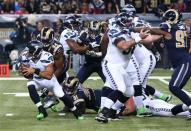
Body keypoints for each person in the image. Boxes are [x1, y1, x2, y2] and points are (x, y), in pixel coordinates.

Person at [95, 12, 149, 123]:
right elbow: (123, 46)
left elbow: (147, 39)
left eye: (130, 21)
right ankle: (103, 112)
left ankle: (112, 112)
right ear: (122, 22)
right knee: (121, 88)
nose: (130, 23)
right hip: (111, 65)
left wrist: (163, 33)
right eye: (127, 22)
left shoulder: (130, 32)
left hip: (120, 67)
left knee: (129, 91)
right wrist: (138, 38)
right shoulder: (114, 31)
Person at [19, 40, 83, 120]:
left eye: (30, 51)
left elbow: (49, 76)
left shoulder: (47, 56)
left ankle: (76, 112)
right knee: (30, 85)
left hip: (49, 81)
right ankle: (42, 110)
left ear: (36, 51)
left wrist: (34, 71)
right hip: (36, 80)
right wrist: (23, 71)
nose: (28, 52)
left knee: (61, 95)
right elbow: (23, 69)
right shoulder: (25, 56)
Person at [159, 9, 191, 120]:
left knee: (174, 87)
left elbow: (155, 31)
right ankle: (183, 107)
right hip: (183, 60)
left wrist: (134, 29)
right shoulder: (182, 27)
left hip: (183, 61)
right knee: (177, 91)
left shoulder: (167, 26)